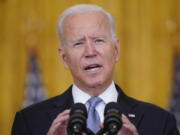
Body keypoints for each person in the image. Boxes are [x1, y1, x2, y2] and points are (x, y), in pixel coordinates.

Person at [11, 4, 179, 135]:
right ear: (64, 59)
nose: (90, 52)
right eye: (78, 43)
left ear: (116, 50)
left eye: (98, 40)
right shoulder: (29, 121)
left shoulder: (160, 122)